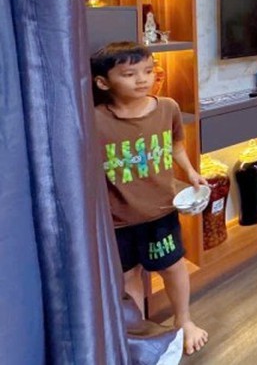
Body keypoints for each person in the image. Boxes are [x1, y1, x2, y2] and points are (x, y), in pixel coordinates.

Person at [91, 42, 208, 355]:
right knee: (128, 276)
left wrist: (191, 173)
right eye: (129, 74)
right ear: (103, 82)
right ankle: (140, 335)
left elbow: (175, 146)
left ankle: (183, 320)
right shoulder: (95, 120)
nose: (142, 79)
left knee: (172, 266)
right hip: (117, 220)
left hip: (161, 213)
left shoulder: (168, 108)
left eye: (148, 70)